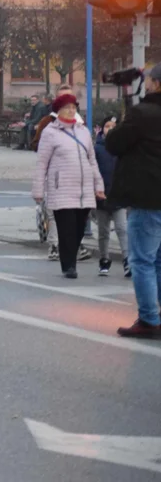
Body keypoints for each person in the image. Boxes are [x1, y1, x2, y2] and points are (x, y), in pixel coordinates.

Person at [107, 64, 161, 338]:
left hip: (147, 198)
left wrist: (112, 128)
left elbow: (115, 144)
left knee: (142, 260)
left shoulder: (143, 114)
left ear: (156, 84)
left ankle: (149, 320)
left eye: (150, 80)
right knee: (159, 260)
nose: (147, 83)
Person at [32, 92, 104, 279]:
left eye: (73, 107)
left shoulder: (83, 131)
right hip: (61, 187)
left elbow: (92, 160)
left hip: (83, 189)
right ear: (58, 111)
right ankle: (68, 265)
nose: (71, 111)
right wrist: (38, 190)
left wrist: (99, 184)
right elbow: (42, 163)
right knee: (67, 229)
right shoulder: (50, 132)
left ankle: (71, 257)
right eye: (67, 108)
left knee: (80, 228)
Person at [94, 116, 128, 277]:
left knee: (122, 229)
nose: (110, 129)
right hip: (101, 196)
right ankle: (104, 259)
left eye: (113, 126)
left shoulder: (123, 147)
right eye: (107, 126)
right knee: (103, 231)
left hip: (118, 196)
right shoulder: (97, 148)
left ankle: (127, 260)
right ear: (102, 129)